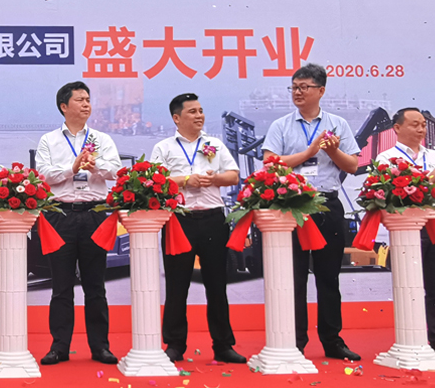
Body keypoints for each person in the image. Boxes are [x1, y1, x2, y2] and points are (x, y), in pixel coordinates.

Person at [263, 63, 361, 361]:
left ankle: (332, 341)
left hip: (327, 205)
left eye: (304, 87)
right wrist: (309, 152)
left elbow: (353, 166)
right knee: (293, 277)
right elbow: (270, 163)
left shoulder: (338, 124)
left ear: (321, 90)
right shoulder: (280, 125)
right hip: (292, 207)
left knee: (328, 277)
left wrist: (332, 151)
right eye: (294, 87)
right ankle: (295, 341)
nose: (297, 92)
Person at [151, 93, 246, 364]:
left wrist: (214, 179)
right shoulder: (164, 147)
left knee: (217, 284)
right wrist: (185, 181)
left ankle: (223, 345)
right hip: (179, 221)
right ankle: (174, 345)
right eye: (192, 111)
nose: (199, 116)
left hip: (213, 219)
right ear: (177, 118)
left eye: (201, 110)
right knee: (177, 285)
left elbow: (233, 176)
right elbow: (154, 181)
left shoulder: (214, 144)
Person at [36, 81, 122, 365]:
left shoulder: (101, 139)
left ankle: (100, 347)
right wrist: (72, 168)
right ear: (64, 106)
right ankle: (59, 347)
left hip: (94, 214)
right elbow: (43, 175)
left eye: (88, 100)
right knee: (61, 286)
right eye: (80, 100)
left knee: (95, 286)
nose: (86, 104)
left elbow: (116, 170)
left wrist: (95, 166)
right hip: (60, 215)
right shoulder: (49, 140)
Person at [376, 107, 435, 350]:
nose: (421, 129)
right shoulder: (386, 158)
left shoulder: (433, 156)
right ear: (397, 128)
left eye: (423, 124)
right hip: (405, 230)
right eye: (415, 124)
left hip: (433, 226)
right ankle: (412, 338)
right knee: (410, 285)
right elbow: (384, 194)